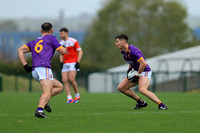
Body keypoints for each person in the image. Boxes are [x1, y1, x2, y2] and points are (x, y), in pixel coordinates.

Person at [17, 22, 67, 118]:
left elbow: (20, 50)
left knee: (60, 87)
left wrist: (25, 65)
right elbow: (62, 51)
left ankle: (44, 99)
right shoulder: (52, 38)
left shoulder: (34, 41)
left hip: (35, 71)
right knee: (47, 92)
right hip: (44, 68)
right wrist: (64, 49)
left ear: (41, 31)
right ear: (51, 31)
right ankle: (39, 111)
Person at [114, 34, 168, 110]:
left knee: (142, 90)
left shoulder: (133, 51)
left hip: (144, 71)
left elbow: (143, 63)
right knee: (121, 88)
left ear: (123, 42)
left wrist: (138, 73)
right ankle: (140, 102)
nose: (116, 43)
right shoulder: (123, 51)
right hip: (136, 71)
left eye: (117, 41)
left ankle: (162, 105)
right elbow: (131, 62)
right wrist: (129, 71)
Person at [59, 28, 83, 103]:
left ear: (66, 33)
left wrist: (78, 62)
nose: (60, 35)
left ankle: (77, 95)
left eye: (62, 33)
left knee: (71, 79)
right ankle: (69, 98)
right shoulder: (61, 43)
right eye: (60, 33)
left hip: (73, 62)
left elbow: (80, 52)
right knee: (64, 80)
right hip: (66, 63)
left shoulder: (73, 41)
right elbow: (61, 53)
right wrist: (61, 62)